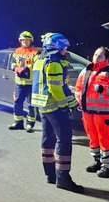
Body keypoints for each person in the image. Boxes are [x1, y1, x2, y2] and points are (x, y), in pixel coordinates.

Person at [31, 32, 83, 193]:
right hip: (54, 106)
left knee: (48, 139)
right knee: (64, 140)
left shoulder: (40, 60)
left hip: (43, 106)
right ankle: (63, 178)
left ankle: (50, 174)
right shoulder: (54, 63)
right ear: (58, 48)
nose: (65, 50)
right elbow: (56, 88)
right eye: (64, 47)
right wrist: (65, 106)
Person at [74, 46, 109, 178]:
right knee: (93, 138)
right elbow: (78, 88)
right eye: (95, 54)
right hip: (88, 112)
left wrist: (105, 90)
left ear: (106, 58)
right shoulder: (85, 70)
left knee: (105, 139)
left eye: (100, 55)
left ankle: (108, 167)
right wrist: (81, 101)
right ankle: (97, 162)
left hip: (104, 113)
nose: (96, 57)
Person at [8, 31, 40, 132]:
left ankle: (30, 124)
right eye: (23, 40)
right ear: (20, 41)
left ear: (31, 40)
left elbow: (36, 64)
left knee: (31, 104)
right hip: (19, 82)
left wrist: (25, 68)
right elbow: (12, 62)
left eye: (27, 40)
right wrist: (15, 68)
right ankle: (18, 123)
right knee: (17, 102)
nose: (25, 42)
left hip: (31, 83)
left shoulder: (35, 52)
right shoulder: (17, 51)